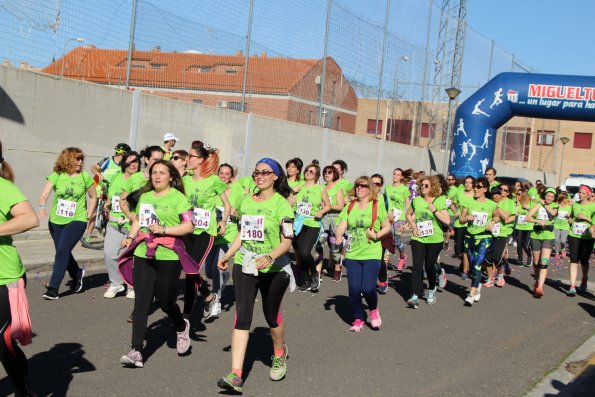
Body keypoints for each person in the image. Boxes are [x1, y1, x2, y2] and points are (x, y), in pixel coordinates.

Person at [216, 158, 294, 393]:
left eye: (265, 172)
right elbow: (243, 232)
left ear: (275, 177)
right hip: (245, 263)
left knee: (271, 315)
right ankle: (236, 375)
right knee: (243, 316)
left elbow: (287, 240)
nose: (259, 176)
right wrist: (229, 254)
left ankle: (279, 353)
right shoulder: (247, 201)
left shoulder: (282, 205)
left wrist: (270, 257)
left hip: (274, 268)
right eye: (256, 172)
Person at [119, 160, 195, 368]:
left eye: (162, 172)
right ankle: (136, 350)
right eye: (154, 172)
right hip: (145, 252)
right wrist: (130, 237)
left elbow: (189, 227)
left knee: (165, 301)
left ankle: (181, 326)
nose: (157, 176)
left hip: (168, 255)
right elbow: (139, 220)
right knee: (141, 302)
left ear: (171, 176)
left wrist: (164, 229)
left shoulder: (179, 198)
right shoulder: (145, 197)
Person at [0, 142, 39, 396]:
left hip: (3, 276)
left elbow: (30, 218)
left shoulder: (3, 188)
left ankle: (23, 391)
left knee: (3, 344)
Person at [38, 147, 97, 300]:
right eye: (77, 158)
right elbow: (43, 195)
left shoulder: (84, 177)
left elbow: (93, 197)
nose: (80, 161)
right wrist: (42, 208)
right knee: (62, 252)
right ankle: (77, 273)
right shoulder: (56, 176)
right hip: (56, 221)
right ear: (67, 159)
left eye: (82, 159)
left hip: (76, 220)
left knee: (62, 252)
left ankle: (53, 289)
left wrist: (88, 216)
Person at [335, 176, 391, 331]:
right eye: (357, 185)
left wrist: (377, 236)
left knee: (367, 289)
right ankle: (358, 319)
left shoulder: (376, 205)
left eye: (363, 185)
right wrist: (339, 236)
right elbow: (341, 225)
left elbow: (387, 226)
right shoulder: (350, 206)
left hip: (371, 252)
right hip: (352, 253)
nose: (359, 188)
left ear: (370, 189)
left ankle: (373, 310)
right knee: (353, 289)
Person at [182, 141, 230, 320]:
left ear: (201, 160)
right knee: (189, 270)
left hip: (205, 232)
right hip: (186, 230)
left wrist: (223, 221)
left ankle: (185, 316)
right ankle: (209, 296)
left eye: (191, 156)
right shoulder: (184, 179)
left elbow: (227, 204)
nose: (188, 159)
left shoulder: (213, 180)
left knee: (191, 270)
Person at [202, 163, 243, 317]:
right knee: (209, 273)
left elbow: (243, 214)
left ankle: (216, 300)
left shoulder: (237, 192)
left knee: (217, 267)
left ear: (231, 176)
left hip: (228, 235)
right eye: (222, 173)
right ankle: (224, 277)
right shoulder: (213, 190)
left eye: (227, 174)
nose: (224, 176)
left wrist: (235, 213)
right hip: (213, 233)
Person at [405, 175, 450, 308]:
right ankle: (414, 296)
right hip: (418, 237)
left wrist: (434, 210)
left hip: (435, 239)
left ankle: (431, 289)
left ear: (433, 187)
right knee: (417, 266)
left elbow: (447, 220)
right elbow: (408, 214)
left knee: (430, 266)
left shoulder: (439, 200)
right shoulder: (416, 200)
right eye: (421, 185)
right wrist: (413, 226)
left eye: (426, 186)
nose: (422, 188)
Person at [103, 151, 140, 299]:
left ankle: (131, 285)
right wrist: (108, 203)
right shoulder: (116, 177)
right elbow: (112, 196)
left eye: (136, 161)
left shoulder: (141, 180)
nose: (133, 164)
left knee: (131, 257)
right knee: (109, 253)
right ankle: (116, 283)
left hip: (133, 225)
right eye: (130, 161)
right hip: (115, 223)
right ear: (123, 163)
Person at [290, 163, 330, 292]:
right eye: (307, 170)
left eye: (311, 171)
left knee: (305, 252)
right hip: (299, 223)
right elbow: (290, 204)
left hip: (313, 223)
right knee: (300, 254)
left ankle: (314, 273)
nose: (308, 172)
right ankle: (306, 280)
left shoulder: (320, 189)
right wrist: (293, 193)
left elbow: (328, 205)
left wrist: (321, 212)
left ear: (316, 175)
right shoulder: (299, 186)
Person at [459, 177, 499, 306]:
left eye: (478, 186)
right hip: (469, 237)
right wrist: (467, 218)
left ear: (485, 189)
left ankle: (470, 294)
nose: (475, 188)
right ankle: (477, 288)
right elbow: (461, 219)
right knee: (472, 267)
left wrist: (492, 222)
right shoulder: (469, 202)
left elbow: (497, 216)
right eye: (474, 186)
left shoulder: (491, 204)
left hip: (484, 238)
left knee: (477, 265)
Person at [526, 187, 558, 297]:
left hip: (548, 236)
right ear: (544, 195)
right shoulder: (537, 205)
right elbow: (527, 217)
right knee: (536, 263)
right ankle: (537, 280)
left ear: (554, 198)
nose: (550, 198)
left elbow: (553, 213)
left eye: (552, 196)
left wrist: (545, 205)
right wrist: (537, 221)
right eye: (548, 195)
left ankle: (540, 286)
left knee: (544, 263)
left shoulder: (554, 206)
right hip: (536, 235)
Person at [566, 185, 595, 296]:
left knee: (584, 261)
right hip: (574, 234)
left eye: (583, 193)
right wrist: (569, 219)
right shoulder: (575, 205)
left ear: (588, 194)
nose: (580, 194)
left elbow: (594, 222)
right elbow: (571, 216)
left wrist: (585, 218)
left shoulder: (593, 206)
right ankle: (572, 286)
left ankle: (584, 277)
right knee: (574, 259)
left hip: (587, 237)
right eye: (579, 192)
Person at [321, 165, 346, 281]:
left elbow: (341, 206)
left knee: (334, 248)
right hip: (322, 219)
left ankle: (337, 268)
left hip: (334, 221)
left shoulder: (338, 189)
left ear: (335, 174)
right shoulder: (321, 188)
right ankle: (317, 270)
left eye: (330, 172)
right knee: (319, 245)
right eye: (325, 172)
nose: (327, 174)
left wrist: (328, 206)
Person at [384, 168, 410, 272]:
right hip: (388, 217)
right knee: (387, 239)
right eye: (394, 174)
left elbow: (408, 205)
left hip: (400, 218)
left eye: (398, 174)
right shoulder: (387, 188)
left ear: (401, 177)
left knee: (396, 241)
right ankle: (384, 263)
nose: (395, 176)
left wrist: (408, 220)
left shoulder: (404, 189)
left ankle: (403, 256)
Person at [452, 176, 475, 279]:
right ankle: (464, 263)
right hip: (459, 223)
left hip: (471, 224)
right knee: (458, 250)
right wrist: (455, 211)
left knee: (468, 248)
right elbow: (452, 204)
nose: (467, 184)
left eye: (470, 182)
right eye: (466, 182)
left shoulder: (476, 194)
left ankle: (466, 269)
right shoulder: (459, 193)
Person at [514, 188, 534, 267]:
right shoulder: (517, 204)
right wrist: (518, 204)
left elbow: (534, 213)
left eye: (520, 194)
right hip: (519, 226)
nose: (518, 196)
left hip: (528, 227)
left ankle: (529, 255)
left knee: (525, 245)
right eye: (517, 194)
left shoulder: (531, 203)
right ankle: (520, 260)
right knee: (519, 244)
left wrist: (528, 208)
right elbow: (515, 214)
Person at [553, 190, 571, 259]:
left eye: (567, 198)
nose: (567, 199)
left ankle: (563, 249)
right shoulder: (556, 206)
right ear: (561, 199)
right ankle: (557, 253)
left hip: (565, 226)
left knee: (563, 240)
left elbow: (571, 217)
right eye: (565, 198)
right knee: (556, 239)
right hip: (556, 225)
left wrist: (569, 217)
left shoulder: (569, 207)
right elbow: (553, 214)